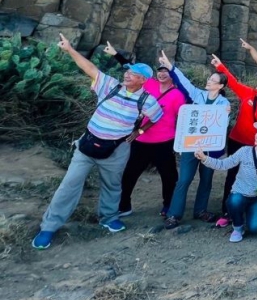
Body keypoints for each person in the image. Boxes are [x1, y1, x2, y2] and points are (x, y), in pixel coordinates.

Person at [32, 34, 163, 250]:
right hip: (87, 146)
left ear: (143, 80)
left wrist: (139, 130)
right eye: (128, 71)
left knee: (112, 186)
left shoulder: (147, 100)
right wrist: (70, 50)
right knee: (69, 185)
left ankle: (108, 218)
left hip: (117, 149)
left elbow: (156, 118)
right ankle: (49, 227)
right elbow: (90, 68)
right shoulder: (110, 86)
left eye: (134, 74)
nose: (128, 75)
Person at [102, 42, 187, 219]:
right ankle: (124, 205)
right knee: (129, 174)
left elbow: (184, 118)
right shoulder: (149, 85)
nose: (162, 73)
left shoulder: (178, 95)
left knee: (169, 176)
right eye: (159, 70)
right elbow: (131, 70)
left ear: (172, 74)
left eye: (166, 71)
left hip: (164, 142)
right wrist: (115, 54)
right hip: (141, 139)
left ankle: (168, 205)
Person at [160, 50, 231, 229]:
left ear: (220, 86)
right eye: (209, 79)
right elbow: (183, 81)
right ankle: (174, 214)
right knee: (184, 179)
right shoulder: (197, 94)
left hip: (210, 149)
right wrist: (170, 67)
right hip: (191, 145)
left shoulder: (224, 104)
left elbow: (221, 127)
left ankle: (200, 210)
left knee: (206, 180)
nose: (209, 81)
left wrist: (225, 116)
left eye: (213, 81)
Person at [211, 49, 257, 228]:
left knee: (250, 176)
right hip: (236, 140)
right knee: (231, 175)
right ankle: (227, 211)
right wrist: (220, 67)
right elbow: (232, 82)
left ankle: (251, 209)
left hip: (252, 146)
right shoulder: (248, 94)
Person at [196, 118, 257, 242]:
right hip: (240, 193)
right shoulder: (244, 151)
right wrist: (204, 158)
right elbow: (224, 164)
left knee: (255, 228)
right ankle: (238, 227)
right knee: (234, 201)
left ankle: (250, 213)